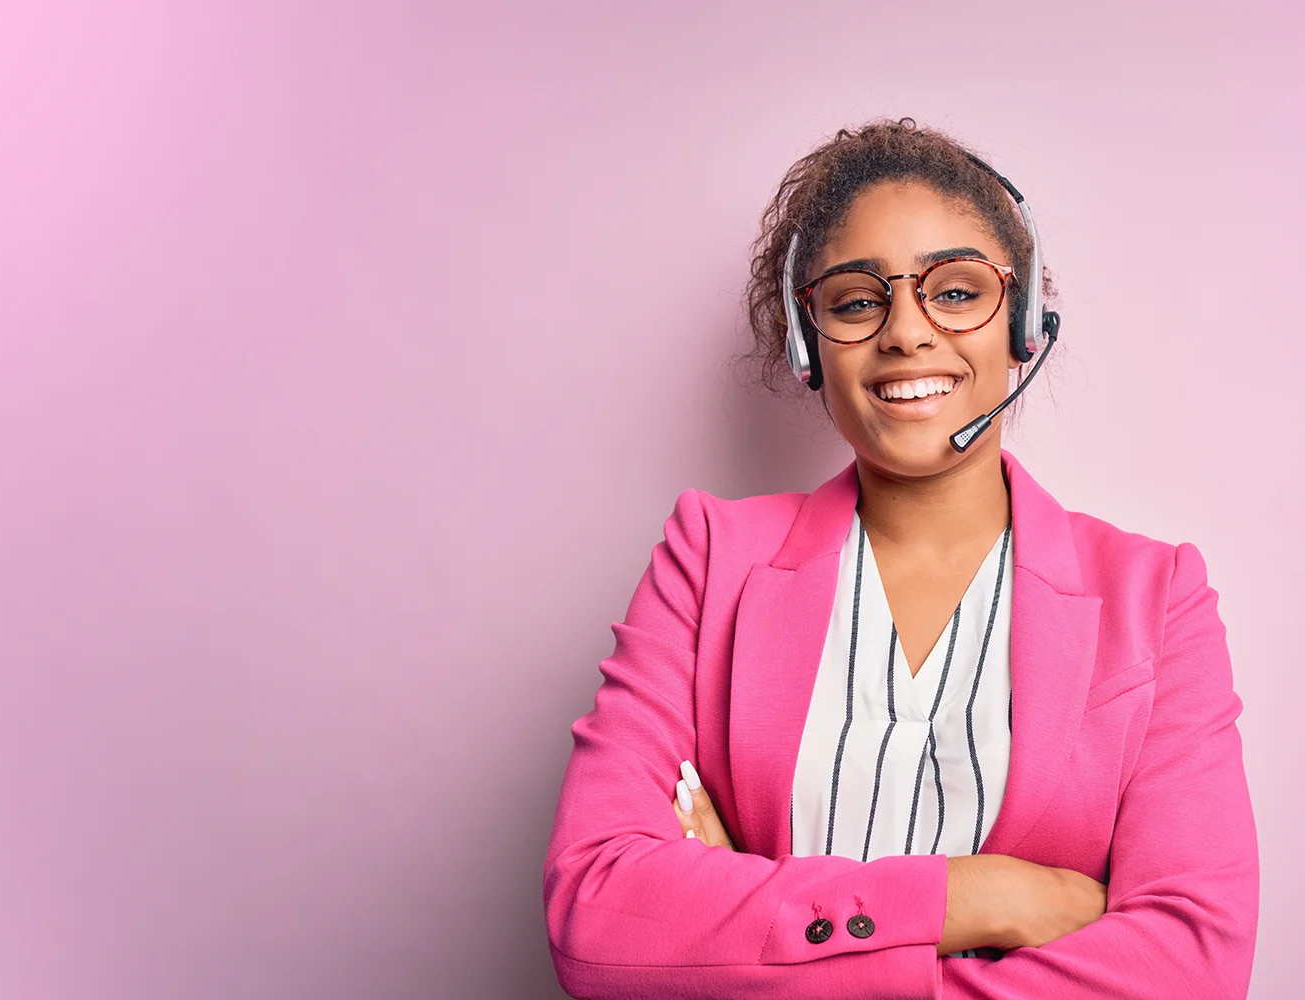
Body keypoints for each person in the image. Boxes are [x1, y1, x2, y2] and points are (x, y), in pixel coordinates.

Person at [540, 118, 1260, 999]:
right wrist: (982, 897)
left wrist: (747, 941)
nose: (907, 333)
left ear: (1024, 322)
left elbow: (1191, 966)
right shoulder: (708, 560)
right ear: (811, 345)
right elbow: (598, 916)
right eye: (855, 301)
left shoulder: (1156, 599)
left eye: (957, 292)